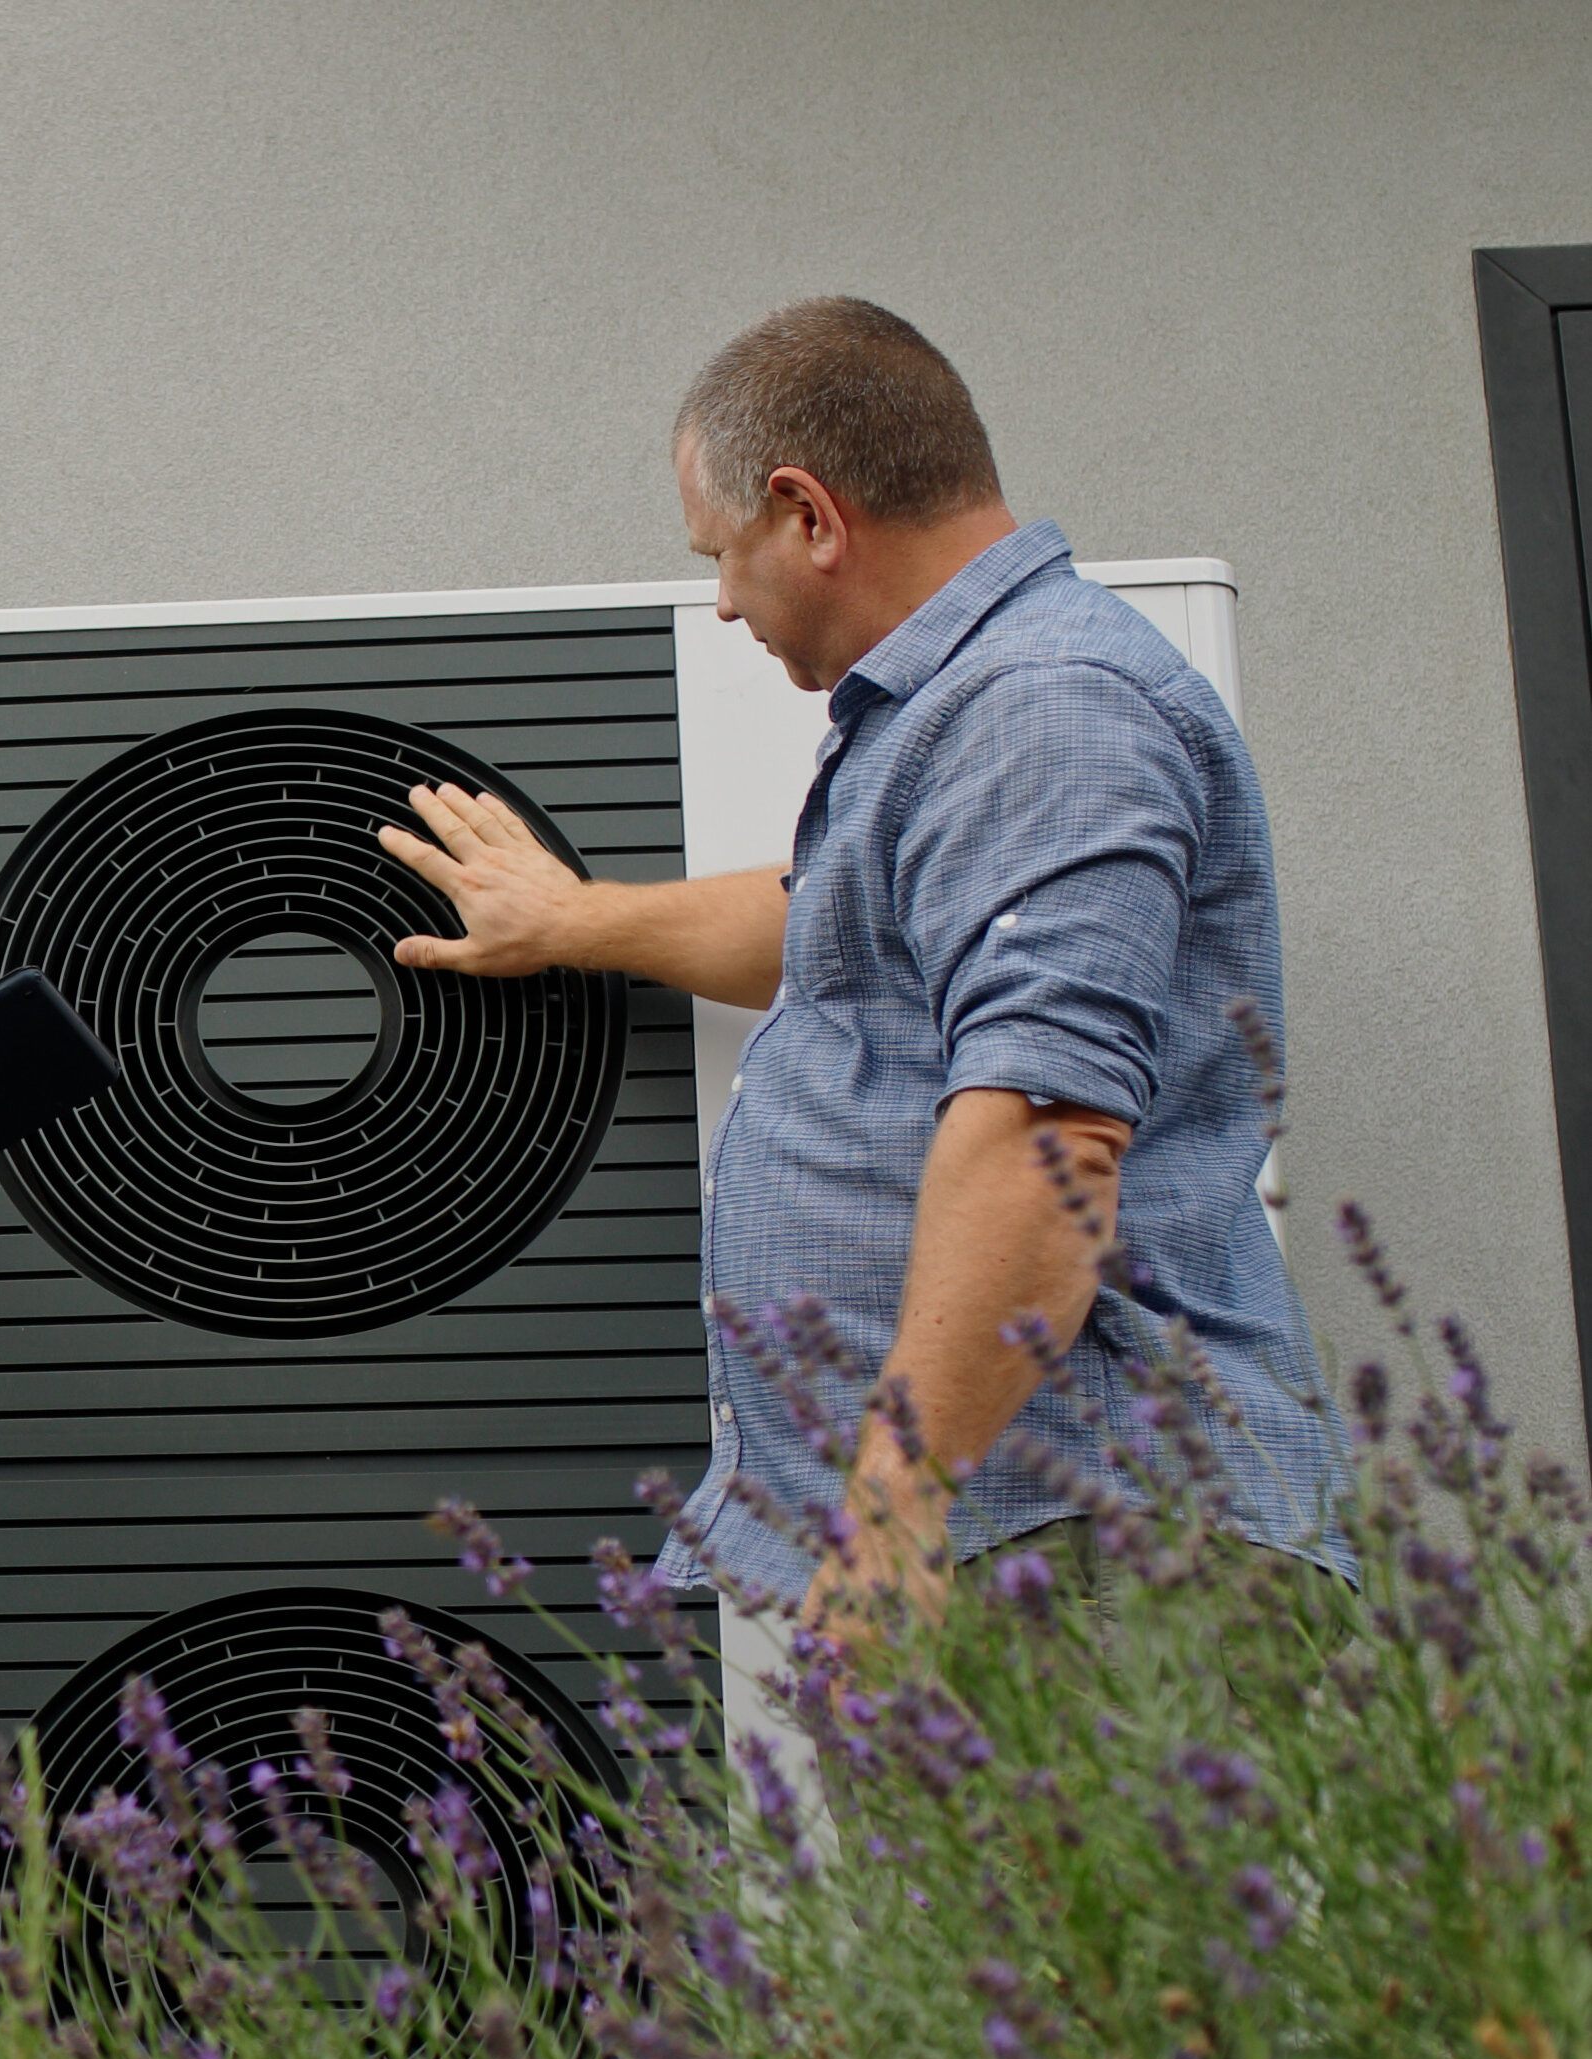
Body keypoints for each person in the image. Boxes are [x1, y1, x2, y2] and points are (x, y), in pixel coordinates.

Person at [380, 296, 1350, 1642]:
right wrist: (571, 921)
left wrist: (891, 1510)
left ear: (811, 516)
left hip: (1085, 1548)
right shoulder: (968, 708)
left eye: (723, 555)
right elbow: (834, 923)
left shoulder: (1043, 708)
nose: (721, 602)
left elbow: (1041, 1137)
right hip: (1021, 1534)